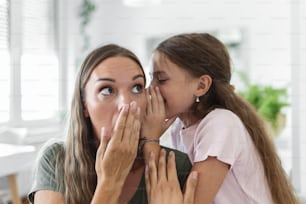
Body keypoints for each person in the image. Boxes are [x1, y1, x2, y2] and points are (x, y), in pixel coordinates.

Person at [28, 44, 195, 204]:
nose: (126, 104)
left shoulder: (174, 165)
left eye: (137, 88)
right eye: (107, 90)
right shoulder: (57, 159)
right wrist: (110, 182)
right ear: (84, 105)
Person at [146, 33, 299, 204]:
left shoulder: (220, 124)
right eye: (151, 78)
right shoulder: (178, 128)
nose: (151, 89)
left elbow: (188, 200)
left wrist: (150, 137)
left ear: (201, 85)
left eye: (161, 79)